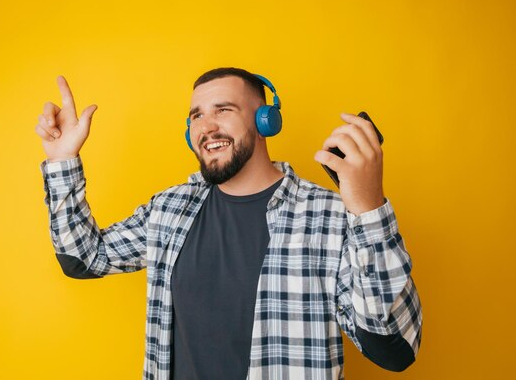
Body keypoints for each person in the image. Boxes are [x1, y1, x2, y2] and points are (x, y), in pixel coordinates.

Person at [35, 67, 422, 379]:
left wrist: (369, 208)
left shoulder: (329, 217)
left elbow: (393, 347)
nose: (206, 127)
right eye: (196, 116)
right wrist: (61, 162)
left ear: (266, 120)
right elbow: (83, 258)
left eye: (223, 110)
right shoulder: (170, 208)